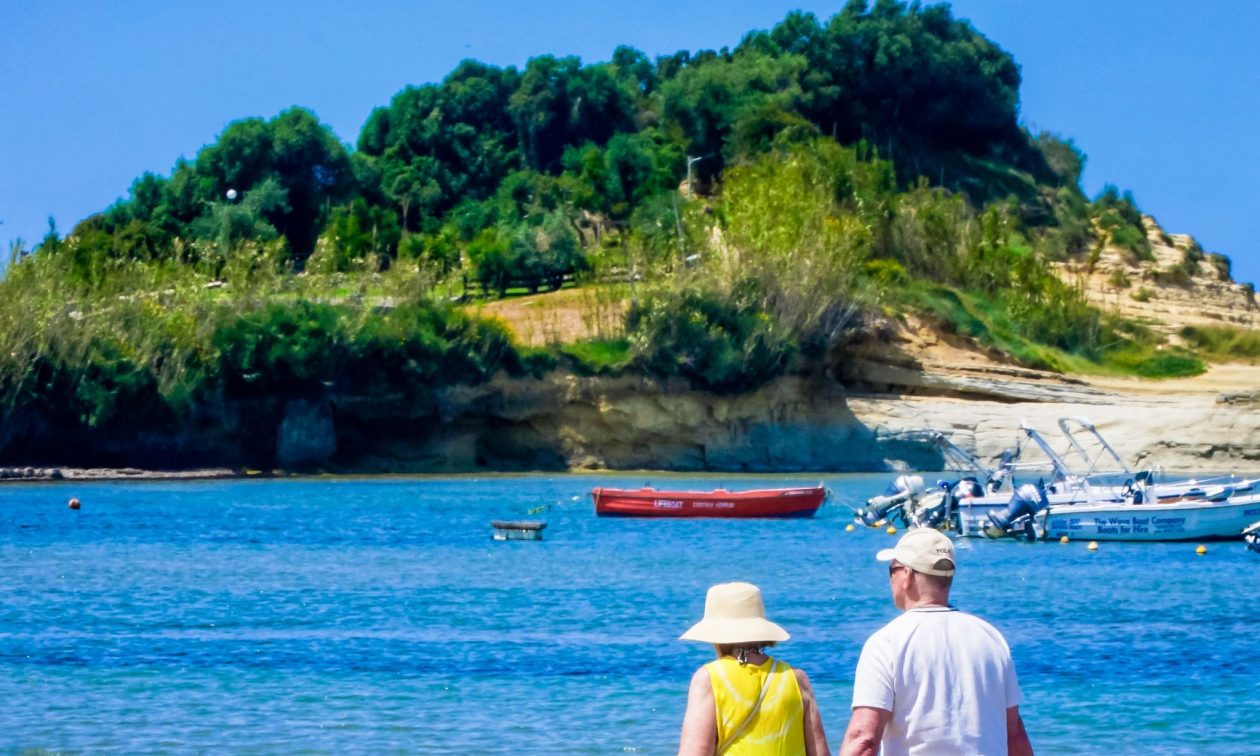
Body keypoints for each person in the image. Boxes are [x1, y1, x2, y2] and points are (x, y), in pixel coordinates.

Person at [840, 529, 1033, 756]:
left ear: (907, 576)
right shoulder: (992, 639)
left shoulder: (886, 643)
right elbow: (1014, 735)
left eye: (891, 570)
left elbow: (864, 737)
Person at [678, 582, 829, 756]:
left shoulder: (710, 679)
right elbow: (820, 752)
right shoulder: (796, 679)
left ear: (715, 636)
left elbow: (695, 752)